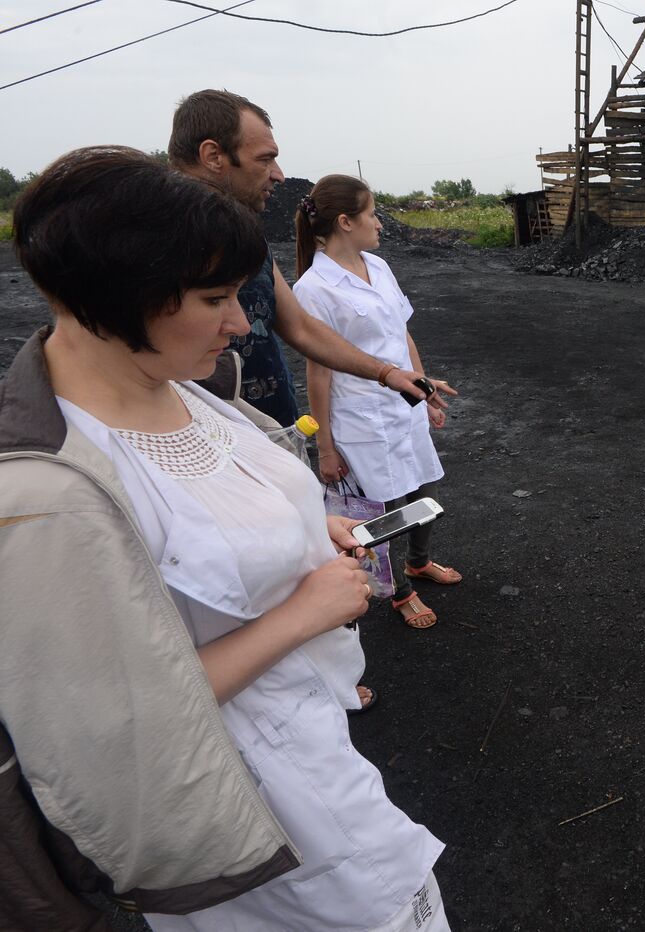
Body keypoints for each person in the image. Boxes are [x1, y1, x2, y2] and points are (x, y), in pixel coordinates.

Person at [0, 146, 449, 931]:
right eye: (214, 299)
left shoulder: (192, 394)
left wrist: (317, 527)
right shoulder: (45, 499)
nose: (242, 325)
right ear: (117, 295)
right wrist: (302, 613)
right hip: (247, 815)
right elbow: (114, 725)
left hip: (313, 750)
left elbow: (226, 514)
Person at [168, 89, 445, 426]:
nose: (279, 174)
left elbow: (299, 327)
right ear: (213, 156)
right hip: (202, 444)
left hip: (269, 430)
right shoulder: (154, 242)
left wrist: (387, 373)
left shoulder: (249, 238)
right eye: (265, 158)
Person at [293, 175, 462, 629]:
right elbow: (319, 370)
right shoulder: (314, 288)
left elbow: (401, 332)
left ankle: (419, 562)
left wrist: (423, 393)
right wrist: (325, 448)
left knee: (425, 489)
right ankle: (398, 592)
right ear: (346, 222)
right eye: (372, 214)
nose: (380, 223)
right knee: (381, 513)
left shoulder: (379, 267)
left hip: (402, 409)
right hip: (361, 420)